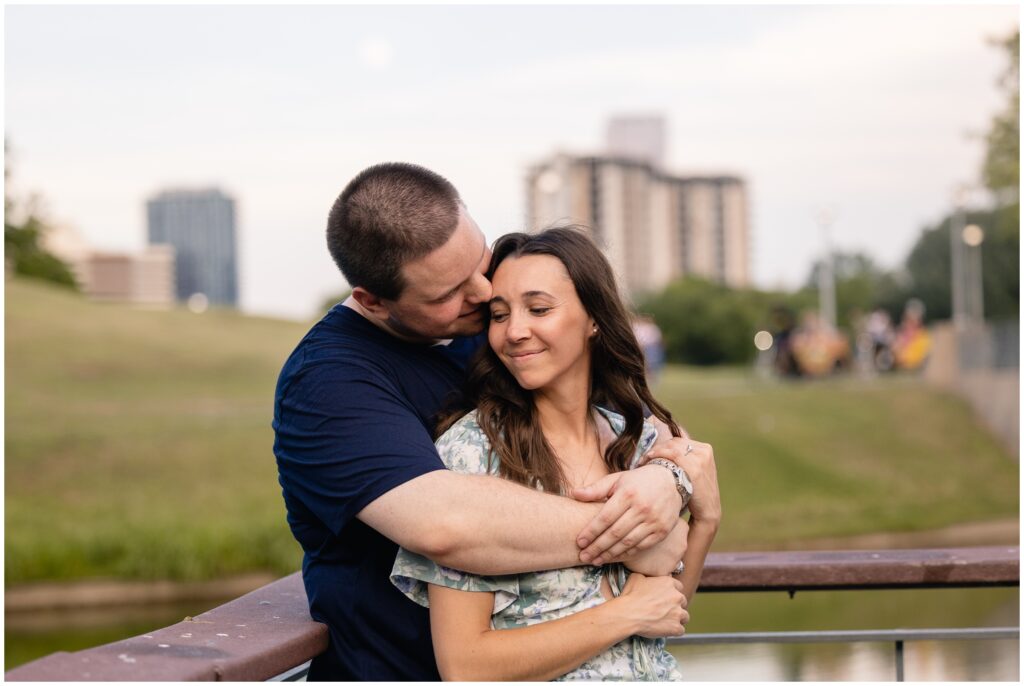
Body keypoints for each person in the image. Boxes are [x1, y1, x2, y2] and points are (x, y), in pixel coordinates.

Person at [273, 163, 721, 680]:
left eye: (479, 260)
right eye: (448, 293)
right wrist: (636, 529)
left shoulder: (495, 324)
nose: (485, 294)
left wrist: (666, 477)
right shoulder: (329, 382)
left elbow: (645, 428)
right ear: (371, 299)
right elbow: (447, 524)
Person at [390, 228, 717, 680]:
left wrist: (706, 521)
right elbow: (466, 666)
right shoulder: (473, 453)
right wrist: (623, 615)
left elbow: (666, 614)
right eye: (499, 315)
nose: (515, 332)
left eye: (539, 309)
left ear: (594, 319)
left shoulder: (635, 441)